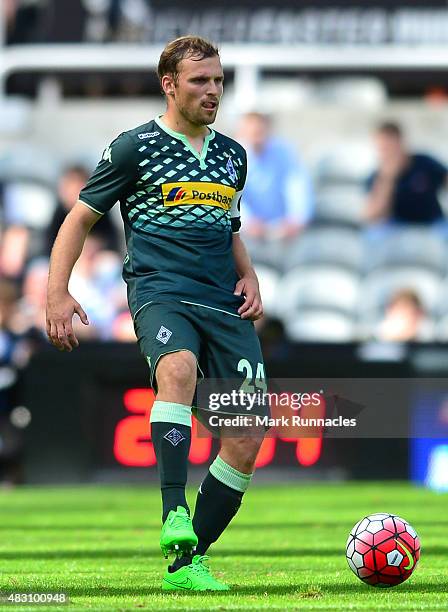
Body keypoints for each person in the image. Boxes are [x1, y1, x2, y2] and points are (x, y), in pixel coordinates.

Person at [46, 36, 267, 592]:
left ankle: (187, 561)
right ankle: (173, 512)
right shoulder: (133, 147)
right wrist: (56, 293)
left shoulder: (232, 155)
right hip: (160, 290)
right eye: (200, 81)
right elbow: (78, 221)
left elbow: (228, 226)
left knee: (246, 436)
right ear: (169, 84)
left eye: (218, 80)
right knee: (177, 368)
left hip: (223, 300)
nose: (213, 90)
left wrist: (250, 274)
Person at [236, 112, 314, 241]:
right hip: (244, 232)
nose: (256, 132)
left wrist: (296, 219)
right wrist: (247, 221)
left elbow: (297, 186)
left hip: (283, 230)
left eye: (260, 128)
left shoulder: (285, 151)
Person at [364, 121, 448, 230]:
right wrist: (388, 179)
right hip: (398, 227)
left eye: (390, 147)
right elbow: (371, 216)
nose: (387, 153)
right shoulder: (376, 177)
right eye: (382, 149)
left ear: (401, 143)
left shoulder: (424, 162)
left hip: (433, 223)